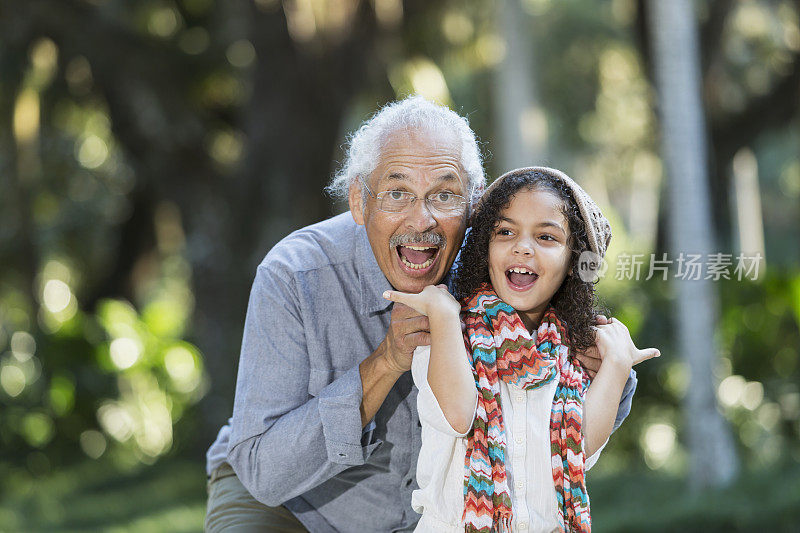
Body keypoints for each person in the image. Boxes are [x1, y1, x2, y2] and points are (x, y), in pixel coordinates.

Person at [204, 98, 643, 532]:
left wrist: (603, 367)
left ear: (474, 205)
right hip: (292, 505)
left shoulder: (501, 263)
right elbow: (264, 472)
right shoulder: (297, 274)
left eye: (445, 195)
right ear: (359, 200)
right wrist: (385, 362)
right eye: (397, 193)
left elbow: (571, 415)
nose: (423, 219)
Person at [383, 167, 659, 533]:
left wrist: (618, 362)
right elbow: (459, 415)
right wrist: (446, 317)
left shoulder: (573, 353)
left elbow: (579, 448)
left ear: (574, 260)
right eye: (506, 232)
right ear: (485, 245)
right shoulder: (447, 331)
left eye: (546, 236)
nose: (522, 246)